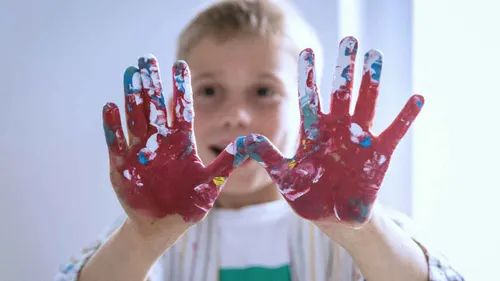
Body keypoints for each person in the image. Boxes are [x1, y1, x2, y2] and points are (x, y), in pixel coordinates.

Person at [54, 0, 465, 280]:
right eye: (210, 91)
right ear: (178, 106)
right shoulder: (146, 228)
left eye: (264, 91)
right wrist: (145, 237)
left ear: (310, 106)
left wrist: (363, 230)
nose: (238, 115)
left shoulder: (362, 225)